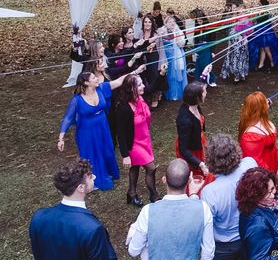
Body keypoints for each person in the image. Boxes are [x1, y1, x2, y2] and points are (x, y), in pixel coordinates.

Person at [58, 69, 139, 190]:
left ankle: (109, 172)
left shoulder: (101, 88)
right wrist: (61, 138)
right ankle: (93, 179)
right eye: (93, 78)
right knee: (91, 154)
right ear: (86, 83)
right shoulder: (77, 100)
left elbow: (119, 81)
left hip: (103, 127)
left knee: (107, 150)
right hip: (86, 132)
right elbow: (67, 118)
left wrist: (135, 71)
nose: (97, 79)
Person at [127, 159, 215, 260]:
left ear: (164, 180)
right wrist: (193, 195)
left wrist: (134, 230)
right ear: (190, 181)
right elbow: (208, 253)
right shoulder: (203, 209)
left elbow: (133, 251)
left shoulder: (147, 212)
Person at [29, 159, 117, 260]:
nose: (94, 177)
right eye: (90, 176)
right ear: (80, 188)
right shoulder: (92, 229)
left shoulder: (38, 218)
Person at [200, 134, 257, 260]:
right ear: (235, 150)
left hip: (225, 246)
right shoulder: (250, 164)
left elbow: (207, 224)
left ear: (210, 160)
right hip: (251, 232)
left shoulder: (209, 192)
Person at [237, 167, 278, 260]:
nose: (273, 195)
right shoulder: (257, 226)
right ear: (254, 196)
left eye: (272, 188)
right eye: (266, 194)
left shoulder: (270, 203)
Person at [115, 74, 159, 207]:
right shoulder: (123, 108)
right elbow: (121, 134)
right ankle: (154, 196)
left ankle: (131, 193)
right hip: (133, 144)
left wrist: (161, 74)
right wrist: (125, 155)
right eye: (139, 85)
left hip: (145, 139)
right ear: (131, 88)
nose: (143, 86)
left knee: (135, 167)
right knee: (151, 167)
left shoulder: (140, 98)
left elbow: (152, 87)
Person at [176, 82, 212, 183]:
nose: (206, 93)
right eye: (204, 92)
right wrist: (200, 164)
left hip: (198, 140)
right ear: (196, 97)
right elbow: (184, 149)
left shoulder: (192, 104)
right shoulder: (185, 120)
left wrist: (205, 73)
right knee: (196, 174)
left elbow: (195, 87)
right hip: (190, 149)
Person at [239, 91, 278, 172]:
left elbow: (254, 162)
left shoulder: (252, 132)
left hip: (268, 169)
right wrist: (269, 175)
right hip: (264, 173)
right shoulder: (251, 135)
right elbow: (255, 163)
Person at [249, 0, 278, 72]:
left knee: (266, 48)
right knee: (262, 48)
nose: (258, 5)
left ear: (263, 5)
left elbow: (265, 21)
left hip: (265, 32)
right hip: (259, 31)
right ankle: (261, 65)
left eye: (259, 4)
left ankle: (273, 63)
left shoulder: (266, 12)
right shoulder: (259, 12)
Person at [220, 5, 252, 83]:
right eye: (239, 10)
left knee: (242, 57)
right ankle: (235, 74)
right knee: (234, 56)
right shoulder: (235, 18)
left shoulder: (248, 19)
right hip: (233, 42)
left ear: (245, 11)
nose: (240, 12)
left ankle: (242, 74)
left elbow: (249, 30)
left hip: (242, 42)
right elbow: (227, 26)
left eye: (242, 10)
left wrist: (245, 36)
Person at [163, 15, 188, 100]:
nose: (172, 23)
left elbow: (181, 44)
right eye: (169, 22)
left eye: (173, 22)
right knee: (169, 74)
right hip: (167, 56)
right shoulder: (163, 32)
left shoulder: (179, 31)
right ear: (165, 24)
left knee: (178, 73)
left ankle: (178, 93)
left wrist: (177, 34)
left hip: (178, 55)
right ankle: (171, 93)